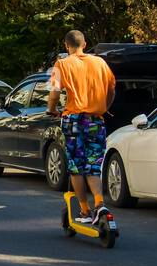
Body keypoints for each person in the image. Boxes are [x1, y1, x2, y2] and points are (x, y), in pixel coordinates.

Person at [47, 31, 116, 225]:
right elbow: (111, 89)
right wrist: (105, 107)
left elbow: (54, 93)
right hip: (96, 120)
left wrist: (51, 109)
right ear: (84, 43)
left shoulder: (62, 64)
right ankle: (100, 204)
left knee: (76, 167)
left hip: (74, 120)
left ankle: (85, 210)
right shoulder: (100, 63)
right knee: (94, 165)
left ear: (66, 45)